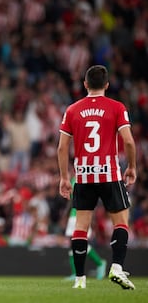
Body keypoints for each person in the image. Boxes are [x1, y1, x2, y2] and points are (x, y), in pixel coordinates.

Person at [57, 65, 136, 290]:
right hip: (109, 173)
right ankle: (117, 267)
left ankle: (80, 280)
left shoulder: (72, 109)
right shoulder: (116, 107)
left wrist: (64, 178)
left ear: (85, 85)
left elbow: (62, 148)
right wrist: (131, 167)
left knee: (81, 226)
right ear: (107, 85)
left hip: (83, 176)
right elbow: (129, 141)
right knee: (121, 222)